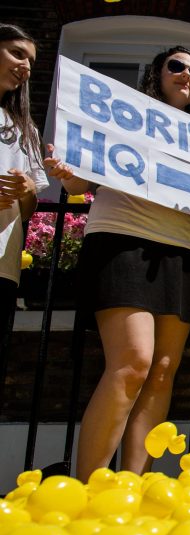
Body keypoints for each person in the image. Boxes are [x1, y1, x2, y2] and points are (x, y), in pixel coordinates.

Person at [44, 46, 190, 482]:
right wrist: (64, 170)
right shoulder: (117, 119)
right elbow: (78, 182)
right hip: (122, 240)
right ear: (156, 73)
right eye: (176, 66)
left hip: (184, 250)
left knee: (162, 374)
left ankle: (135, 485)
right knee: (133, 363)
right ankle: (89, 487)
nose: (187, 76)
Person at [0, 24, 47, 338]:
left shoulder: (25, 129)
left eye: (30, 61)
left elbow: (28, 210)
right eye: (17, 53)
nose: (25, 67)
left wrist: (29, 191)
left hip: (3, 265)